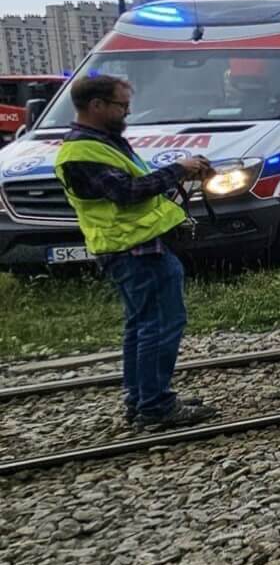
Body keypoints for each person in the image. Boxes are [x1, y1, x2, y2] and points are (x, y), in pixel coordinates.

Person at [51, 76, 218, 430]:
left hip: (139, 245)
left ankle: (142, 397)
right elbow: (128, 192)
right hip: (134, 250)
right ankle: (155, 406)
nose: (127, 112)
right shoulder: (83, 152)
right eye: (121, 106)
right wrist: (179, 170)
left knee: (142, 326)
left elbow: (137, 189)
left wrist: (181, 178)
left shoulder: (104, 143)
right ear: (96, 106)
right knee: (159, 326)